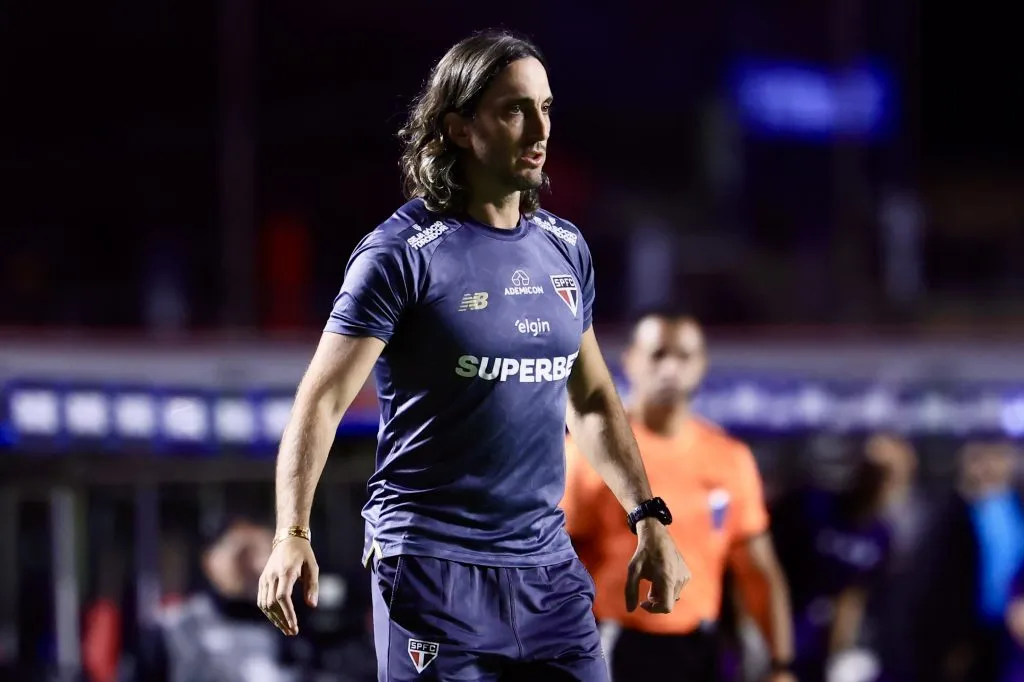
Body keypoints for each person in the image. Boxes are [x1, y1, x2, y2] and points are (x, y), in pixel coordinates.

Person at [256, 30, 690, 682]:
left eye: (546, 107)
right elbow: (319, 402)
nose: (539, 127)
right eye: (514, 109)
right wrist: (292, 534)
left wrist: (647, 518)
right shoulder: (400, 255)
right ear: (459, 128)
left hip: (547, 572)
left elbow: (595, 401)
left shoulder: (564, 249)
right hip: (431, 570)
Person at [562, 313, 796, 682]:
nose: (670, 368)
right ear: (630, 360)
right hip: (612, 645)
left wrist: (782, 665)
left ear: (701, 366)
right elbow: (553, 560)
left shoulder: (729, 458)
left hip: (701, 648)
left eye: (684, 356)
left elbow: (758, 569)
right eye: (658, 355)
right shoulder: (589, 452)